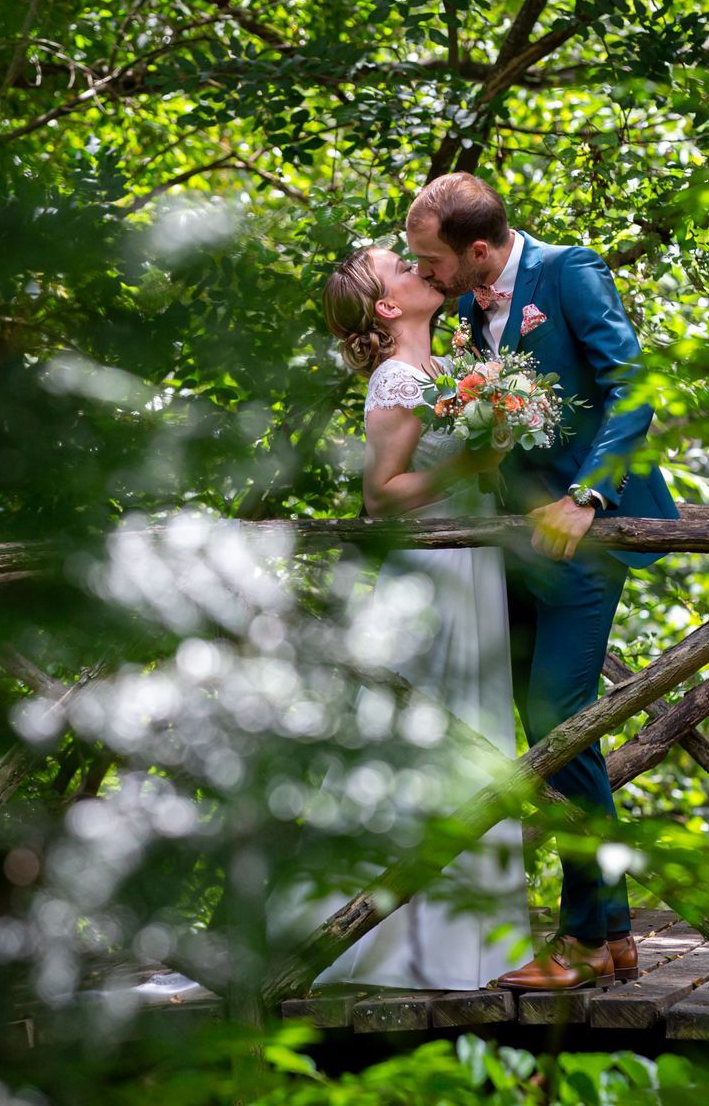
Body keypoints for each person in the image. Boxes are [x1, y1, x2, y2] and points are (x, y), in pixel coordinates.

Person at [404, 172, 678, 991]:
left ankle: (586, 941)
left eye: (431, 260)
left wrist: (589, 496)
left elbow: (634, 389)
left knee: (557, 718)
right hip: (510, 545)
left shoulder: (569, 273)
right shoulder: (459, 308)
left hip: (586, 538)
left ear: (479, 250)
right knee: (553, 733)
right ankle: (614, 932)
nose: (424, 274)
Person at [273, 244, 530, 991]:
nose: (424, 271)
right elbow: (381, 495)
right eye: (405, 269)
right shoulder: (398, 377)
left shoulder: (444, 367)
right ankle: (387, 948)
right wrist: (469, 465)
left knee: (468, 740)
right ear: (389, 307)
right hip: (430, 576)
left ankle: (471, 944)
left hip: (467, 562)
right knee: (428, 740)